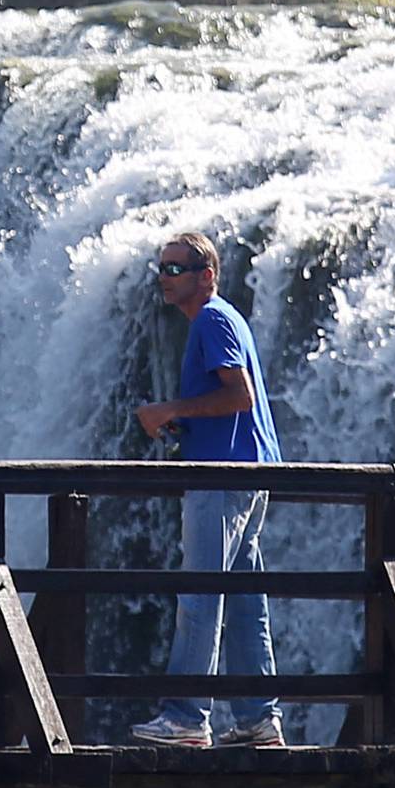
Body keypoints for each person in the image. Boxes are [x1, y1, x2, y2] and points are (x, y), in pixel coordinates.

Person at [132, 230, 284, 748]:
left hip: (223, 476)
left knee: (201, 592)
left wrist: (169, 410)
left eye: (177, 268)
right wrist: (186, 426)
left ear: (207, 275)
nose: (165, 277)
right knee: (245, 600)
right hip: (250, 472)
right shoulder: (225, 318)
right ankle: (257, 719)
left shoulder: (213, 319)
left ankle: (186, 716)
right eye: (163, 268)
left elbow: (238, 395)